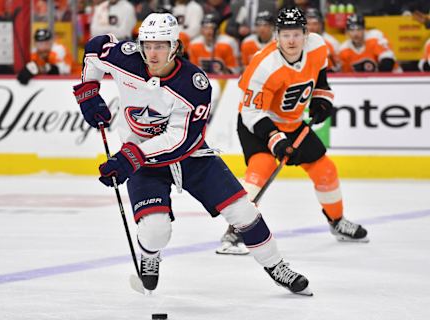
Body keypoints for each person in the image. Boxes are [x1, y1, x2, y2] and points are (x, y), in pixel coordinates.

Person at [73, 12, 312, 296]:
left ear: (175, 46)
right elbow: (95, 48)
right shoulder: (126, 59)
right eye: (147, 45)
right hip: (144, 163)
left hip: (191, 157)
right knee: (155, 231)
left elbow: (180, 139)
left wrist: (129, 158)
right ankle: (150, 256)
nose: (152, 53)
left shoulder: (194, 84)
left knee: (243, 211)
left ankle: (277, 266)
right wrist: (89, 91)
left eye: (160, 45)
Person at [216, 7, 369, 255]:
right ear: (277, 36)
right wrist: (276, 141)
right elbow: (252, 113)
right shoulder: (263, 65)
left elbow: (320, 79)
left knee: (325, 170)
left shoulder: (317, 46)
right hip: (257, 124)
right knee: (259, 173)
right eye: (285, 35)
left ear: (306, 34)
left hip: (293, 122)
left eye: (297, 34)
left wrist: (322, 100)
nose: (291, 40)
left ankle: (337, 222)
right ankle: (237, 229)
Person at [305, 8, 340, 72]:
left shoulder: (332, 42)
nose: (311, 27)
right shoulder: (299, 41)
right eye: (308, 24)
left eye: (315, 24)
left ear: (321, 24)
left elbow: (339, 67)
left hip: (329, 76)